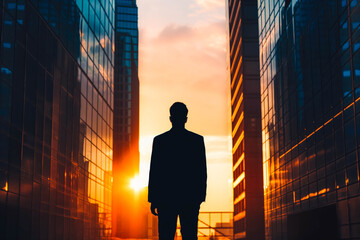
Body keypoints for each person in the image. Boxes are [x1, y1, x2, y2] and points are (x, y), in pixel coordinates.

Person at [148, 102, 207, 240]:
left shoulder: (160, 141)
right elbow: (201, 172)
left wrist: (153, 199)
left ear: (171, 118)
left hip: (166, 198)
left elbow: (155, 172)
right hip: (189, 197)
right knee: (190, 235)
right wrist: (199, 197)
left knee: (166, 235)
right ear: (186, 119)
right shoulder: (196, 141)